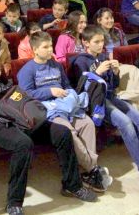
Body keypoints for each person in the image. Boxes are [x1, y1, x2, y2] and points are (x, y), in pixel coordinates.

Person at [0, 56, 98, 215]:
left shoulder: (5, 84)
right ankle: (14, 202)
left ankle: (72, 185)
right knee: (23, 144)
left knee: (62, 132)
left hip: (21, 120)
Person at [74, 26, 139, 184]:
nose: (100, 44)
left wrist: (116, 73)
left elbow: (113, 85)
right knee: (126, 124)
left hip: (112, 96)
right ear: (85, 42)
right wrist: (96, 73)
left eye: (102, 41)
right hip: (97, 101)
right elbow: (80, 89)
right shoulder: (80, 61)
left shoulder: (103, 57)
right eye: (96, 42)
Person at [16, 32, 112, 193]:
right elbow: (26, 95)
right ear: (35, 50)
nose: (50, 50)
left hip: (66, 105)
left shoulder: (56, 65)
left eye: (50, 46)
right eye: (45, 47)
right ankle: (93, 169)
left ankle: (90, 169)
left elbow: (66, 85)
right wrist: (50, 91)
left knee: (87, 124)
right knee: (69, 131)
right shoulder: (27, 70)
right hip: (47, 109)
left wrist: (70, 94)